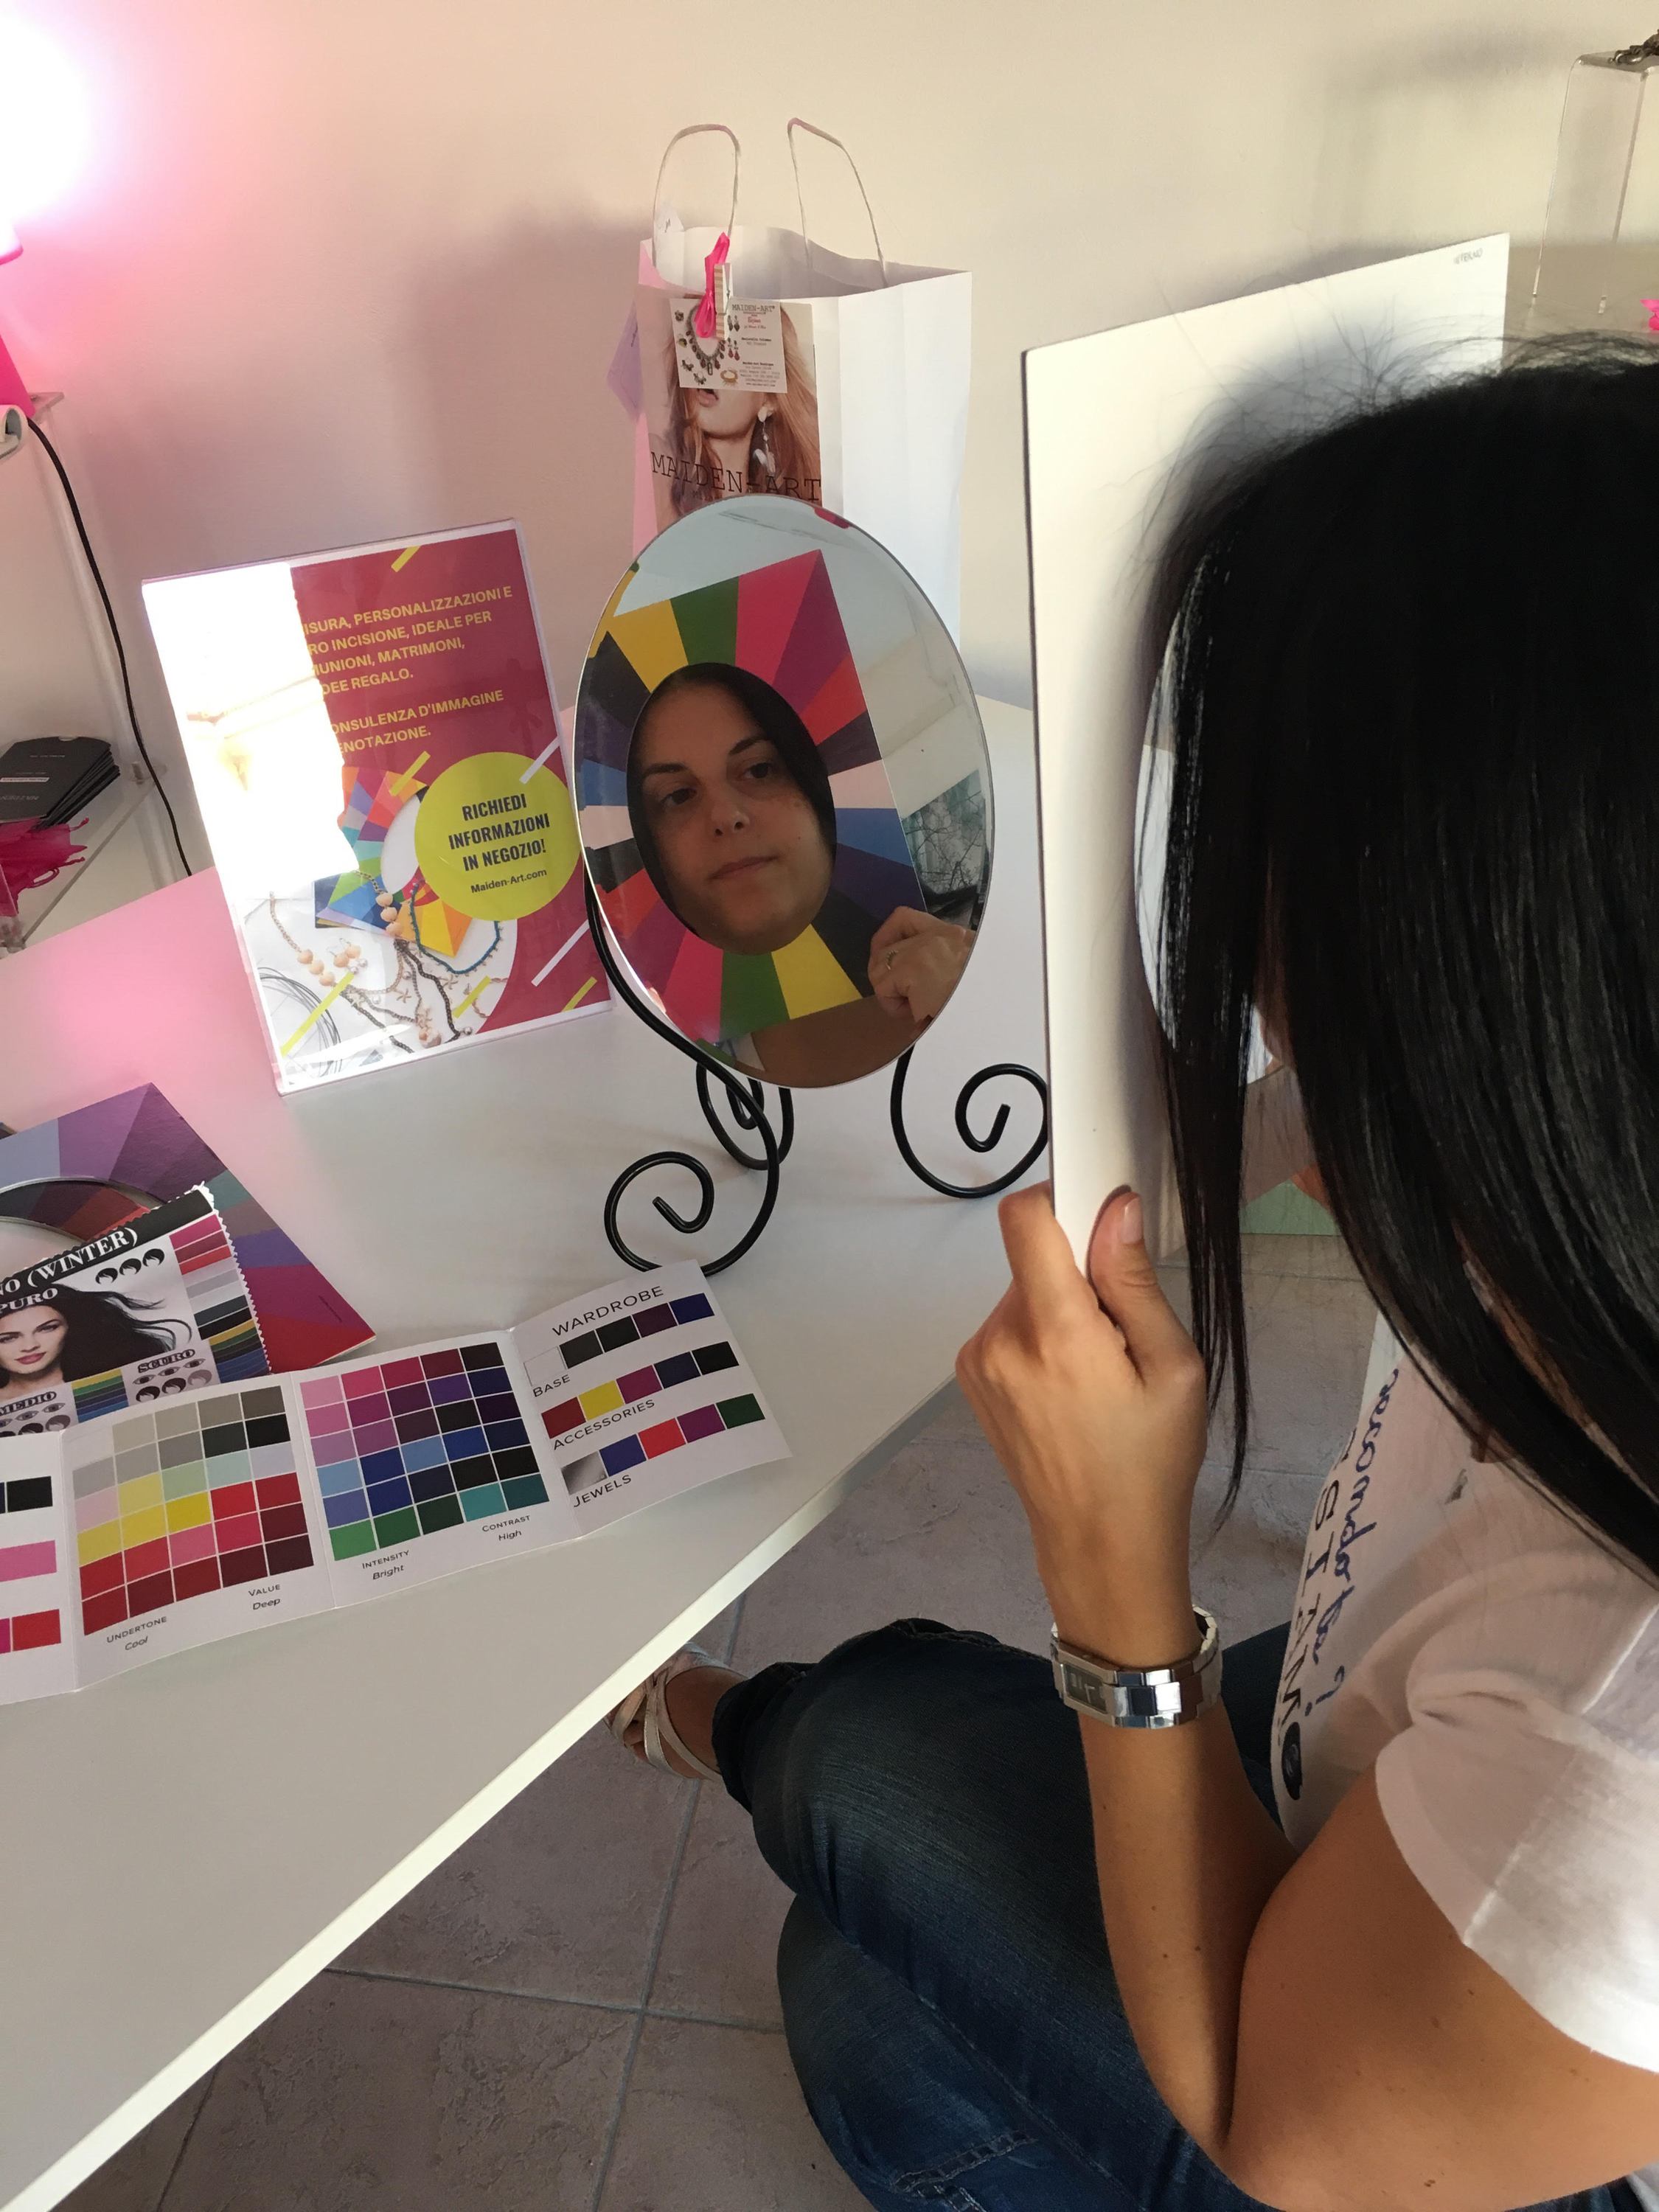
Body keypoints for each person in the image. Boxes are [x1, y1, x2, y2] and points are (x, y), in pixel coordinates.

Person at [607, 339, 1659, 2209]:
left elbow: (1272, 2114)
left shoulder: (1612, 1777)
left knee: (861, 1767)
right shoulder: (1594, 1191)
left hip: (1441, 2087)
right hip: (1403, 1775)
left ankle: (737, 1722)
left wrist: (1113, 1568)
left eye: (1300, 1005)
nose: (1314, 1143)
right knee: (860, 1990)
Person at [628, 664, 975, 1084]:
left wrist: (974, 1006)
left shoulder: (967, 964)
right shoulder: (667, 1067)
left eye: (759, 770)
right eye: (678, 796)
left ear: (818, 792)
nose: (725, 816)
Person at [657, 310, 821, 518]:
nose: (712, 366)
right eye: (703, 343)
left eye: (737, 351)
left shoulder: (784, 510)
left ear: (770, 400)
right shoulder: (663, 470)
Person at [0, 1286, 183, 1402]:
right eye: (7, 1338)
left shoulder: (118, 1383)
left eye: (47, 1329)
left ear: (71, 1329)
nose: (30, 1346)